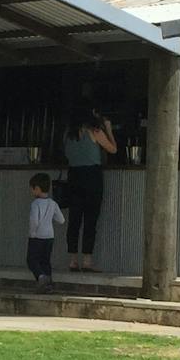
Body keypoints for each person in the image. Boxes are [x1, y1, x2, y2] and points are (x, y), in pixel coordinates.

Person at [61, 106, 116, 272]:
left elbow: (66, 154)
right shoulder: (95, 131)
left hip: (74, 175)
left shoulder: (68, 133)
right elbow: (113, 149)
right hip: (92, 176)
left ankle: (72, 260)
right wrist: (109, 129)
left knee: (74, 219)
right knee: (90, 220)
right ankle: (87, 260)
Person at [26, 173, 63, 290]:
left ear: (37, 188)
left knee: (32, 260)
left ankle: (41, 278)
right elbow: (61, 220)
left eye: (32, 189)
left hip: (37, 236)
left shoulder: (35, 204)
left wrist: (32, 233)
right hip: (50, 236)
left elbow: (34, 221)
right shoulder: (53, 203)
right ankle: (49, 282)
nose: (32, 192)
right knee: (45, 261)